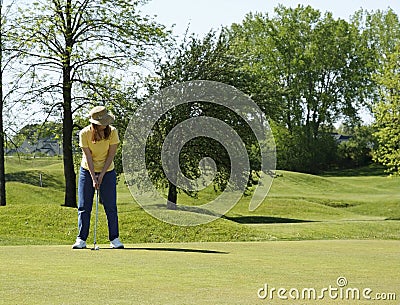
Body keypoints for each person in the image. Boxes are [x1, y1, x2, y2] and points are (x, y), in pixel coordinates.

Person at [72, 105, 124, 249]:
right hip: (87, 171)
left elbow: (111, 155)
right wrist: (94, 177)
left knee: (110, 206)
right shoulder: (84, 133)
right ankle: (81, 239)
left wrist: (101, 175)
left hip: (108, 171)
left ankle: (115, 239)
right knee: (84, 206)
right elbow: (88, 156)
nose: (104, 126)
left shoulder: (113, 132)